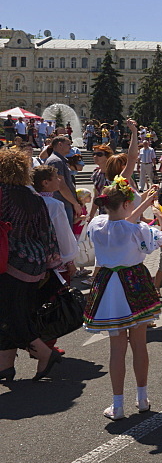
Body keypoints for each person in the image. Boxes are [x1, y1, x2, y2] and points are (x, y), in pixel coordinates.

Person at [84, 179, 162, 420]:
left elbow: (118, 222)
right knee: (139, 344)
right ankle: (142, 398)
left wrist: (140, 206)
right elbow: (151, 234)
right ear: (127, 203)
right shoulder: (137, 230)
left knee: (116, 348)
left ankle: (117, 405)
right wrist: (151, 209)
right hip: (133, 282)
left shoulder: (96, 224)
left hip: (108, 285)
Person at [0, 148, 63, 382]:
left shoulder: (2, 194)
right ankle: (5, 366)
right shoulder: (34, 197)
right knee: (15, 312)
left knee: (11, 315)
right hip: (34, 264)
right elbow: (47, 232)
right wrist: (52, 262)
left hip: (9, 263)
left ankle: (46, 353)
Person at [44, 135, 84, 225]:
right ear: (60, 145)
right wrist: (75, 203)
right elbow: (61, 185)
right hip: (62, 203)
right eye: (68, 144)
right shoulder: (56, 161)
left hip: (64, 202)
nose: (71, 147)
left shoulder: (59, 160)